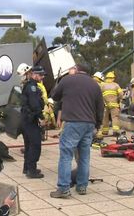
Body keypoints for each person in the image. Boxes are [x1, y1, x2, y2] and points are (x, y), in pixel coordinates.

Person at [50, 63, 104, 198]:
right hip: (89, 124)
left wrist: (59, 83)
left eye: (72, 68)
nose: (70, 70)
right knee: (84, 157)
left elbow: (55, 96)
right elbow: (100, 107)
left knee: (66, 155)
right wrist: (97, 124)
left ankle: (63, 188)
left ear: (77, 70)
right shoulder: (94, 84)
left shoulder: (67, 80)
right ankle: (82, 186)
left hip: (73, 123)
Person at [19, 65, 46, 178]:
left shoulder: (29, 85)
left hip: (26, 120)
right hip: (31, 120)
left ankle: (27, 168)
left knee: (29, 145)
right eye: (40, 75)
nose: (42, 77)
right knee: (35, 145)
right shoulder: (32, 87)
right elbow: (35, 105)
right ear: (34, 75)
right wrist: (42, 117)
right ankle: (32, 170)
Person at [98, 71, 123, 137]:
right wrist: (119, 99)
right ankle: (115, 131)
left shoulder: (102, 85)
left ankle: (105, 131)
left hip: (105, 105)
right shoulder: (116, 85)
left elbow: (99, 94)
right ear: (113, 78)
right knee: (115, 117)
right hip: (114, 104)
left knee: (105, 118)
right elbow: (121, 94)